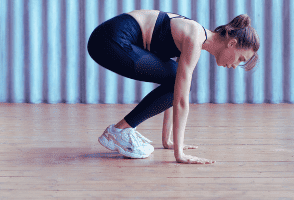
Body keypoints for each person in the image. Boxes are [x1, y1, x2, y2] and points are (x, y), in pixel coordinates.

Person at [88, 10, 259, 164]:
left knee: (175, 78)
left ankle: (121, 130)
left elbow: (175, 90)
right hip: (109, 40)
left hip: (107, 40)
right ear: (232, 44)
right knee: (179, 81)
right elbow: (182, 101)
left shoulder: (195, 36)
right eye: (240, 59)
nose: (236, 65)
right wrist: (180, 154)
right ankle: (119, 131)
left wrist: (167, 141)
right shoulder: (194, 37)